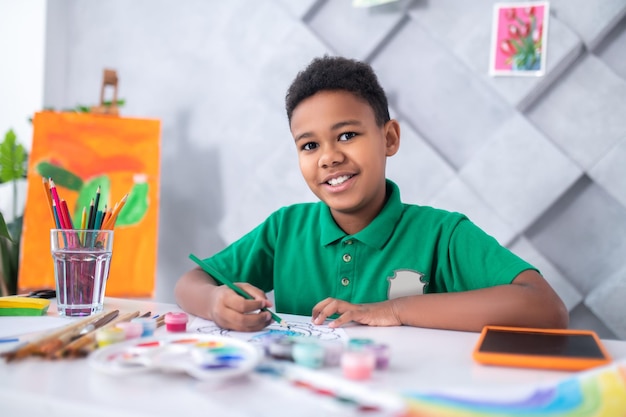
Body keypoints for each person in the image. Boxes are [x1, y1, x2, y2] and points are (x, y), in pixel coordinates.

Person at [175, 55, 569, 333]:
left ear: (389, 138)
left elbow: (545, 307)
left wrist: (395, 310)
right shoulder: (285, 229)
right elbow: (191, 281)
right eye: (309, 146)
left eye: (347, 135)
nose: (329, 157)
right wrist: (215, 303)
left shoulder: (442, 234)